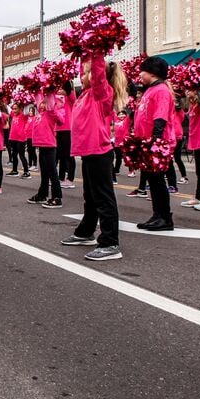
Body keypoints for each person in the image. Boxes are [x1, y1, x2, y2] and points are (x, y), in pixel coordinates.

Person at [60, 52, 129, 260]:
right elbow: (73, 89)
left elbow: (98, 74)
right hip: (89, 153)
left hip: (100, 152)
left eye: (87, 73)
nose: (83, 76)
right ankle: (85, 232)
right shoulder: (85, 95)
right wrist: (83, 53)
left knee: (103, 198)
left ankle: (110, 242)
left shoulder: (102, 93)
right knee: (90, 197)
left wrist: (97, 51)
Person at [134, 57, 176, 232]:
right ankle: (157, 214)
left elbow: (160, 117)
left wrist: (155, 141)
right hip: (146, 141)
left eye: (142, 71)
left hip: (156, 142)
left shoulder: (161, 90)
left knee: (158, 181)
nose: (140, 74)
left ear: (151, 72)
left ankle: (165, 218)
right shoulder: (150, 90)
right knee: (152, 179)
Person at [28, 88, 64, 208]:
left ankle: (57, 197)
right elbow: (38, 101)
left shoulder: (51, 113)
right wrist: (36, 87)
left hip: (49, 146)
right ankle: (42, 194)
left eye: (45, 102)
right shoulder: (40, 114)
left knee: (52, 172)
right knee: (44, 173)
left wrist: (49, 93)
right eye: (41, 102)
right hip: (42, 147)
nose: (42, 104)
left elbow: (54, 111)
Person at [55, 84, 77, 189]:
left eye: (61, 88)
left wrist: (65, 79)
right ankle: (61, 178)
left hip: (68, 129)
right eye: (58, 88)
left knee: (69, 155)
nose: (60, 90)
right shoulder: (55, 99)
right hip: (58, 129)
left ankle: (70, 179)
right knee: (61, 155)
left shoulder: (69, 98)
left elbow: (69, 90)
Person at [6, 103, 31, 178]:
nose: (14, 110)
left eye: (16, 108)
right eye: (13, 108)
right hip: (13, 138)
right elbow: (7, 107)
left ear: (20, 109)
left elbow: (26, 109)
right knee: (14, 155)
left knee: (21, 155)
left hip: (21, 139)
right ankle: (14, 171)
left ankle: (27, 172)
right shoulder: (13, 114)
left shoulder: (24, 115)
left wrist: (24, 100)